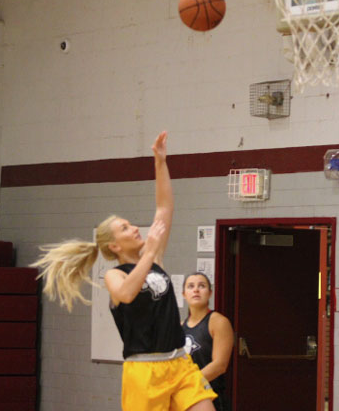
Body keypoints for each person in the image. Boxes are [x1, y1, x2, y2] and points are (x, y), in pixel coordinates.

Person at [31, 131, 217, 411]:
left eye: (131, 224)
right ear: (114, 246)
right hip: (144, 372)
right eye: (126, 228)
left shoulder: (154, 257)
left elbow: (164, 207)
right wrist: (151, 252)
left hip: (179, 363)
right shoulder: (114, 276)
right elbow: (128, 293)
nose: (134, 229)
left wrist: (160, 162)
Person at [182, 272, 234, 411]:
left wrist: (187, 383)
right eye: (191, 286)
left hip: (212, 398)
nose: (196, 290)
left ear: (210, 293)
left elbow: (219, 365)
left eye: (202, 286)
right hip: (186, 398)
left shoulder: (218, 322)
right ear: (184, 294)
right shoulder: (180, 327)